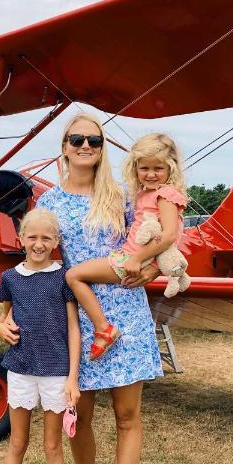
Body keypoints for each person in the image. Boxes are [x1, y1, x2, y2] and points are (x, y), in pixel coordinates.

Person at [0, 112, 162, 464]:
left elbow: (157, 237)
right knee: (79, 415)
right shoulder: (49, 204)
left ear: (103, 148)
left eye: (94, 139)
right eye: (76, 139)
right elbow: (35, 262)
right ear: (64, 146)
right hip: (75, 320)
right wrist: (5, 314)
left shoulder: (123, 197)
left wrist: (152, 269)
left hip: (123, 314)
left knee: (127, 416)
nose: (85, 145)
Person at [0, 208, 81, 464]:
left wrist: (73, 377)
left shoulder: (64, 278)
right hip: (21, 368)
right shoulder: (10, 278)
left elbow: (73, 327)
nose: (39, 244)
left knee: (53, 447)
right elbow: (4, 317)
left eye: (47, 238)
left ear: (56, 241)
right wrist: (0, 327)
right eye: (32, 237)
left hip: (57, 372)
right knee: (17, 443)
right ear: (21, 239)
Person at [66, 133, 188, 359]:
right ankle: (104, 328)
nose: (151, 174)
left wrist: (137, 259)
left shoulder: (166, 195)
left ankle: (104, 329)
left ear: (171, 169)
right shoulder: (144, 194)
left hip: (130, 259)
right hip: (130, 256)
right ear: (135, 168)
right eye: (144, 168)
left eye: (158, 168)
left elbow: (170, 234)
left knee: (73, 276)